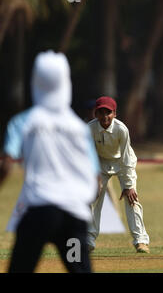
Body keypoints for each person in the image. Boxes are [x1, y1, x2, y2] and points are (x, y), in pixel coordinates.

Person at [0, 51, 100, 273]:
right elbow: (95, 180)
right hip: (73, 219)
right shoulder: (79, 128)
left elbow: (6, 164)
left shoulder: (23, 122)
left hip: (39, 215)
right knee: (79, 269)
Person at [87, 96, 150, 253]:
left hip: (122, 163)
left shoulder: (121, 129)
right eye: (100, 112)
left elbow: (127, 159)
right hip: (100, 163)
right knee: (93, 199)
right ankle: (88, 240)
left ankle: (140, 241)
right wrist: (95, 178)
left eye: (108, 112)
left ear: (114, 113)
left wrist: (128, 186)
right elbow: (88, 155)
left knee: (132, 199)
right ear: (95, 114)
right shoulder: (89, 129)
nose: (104, 116)